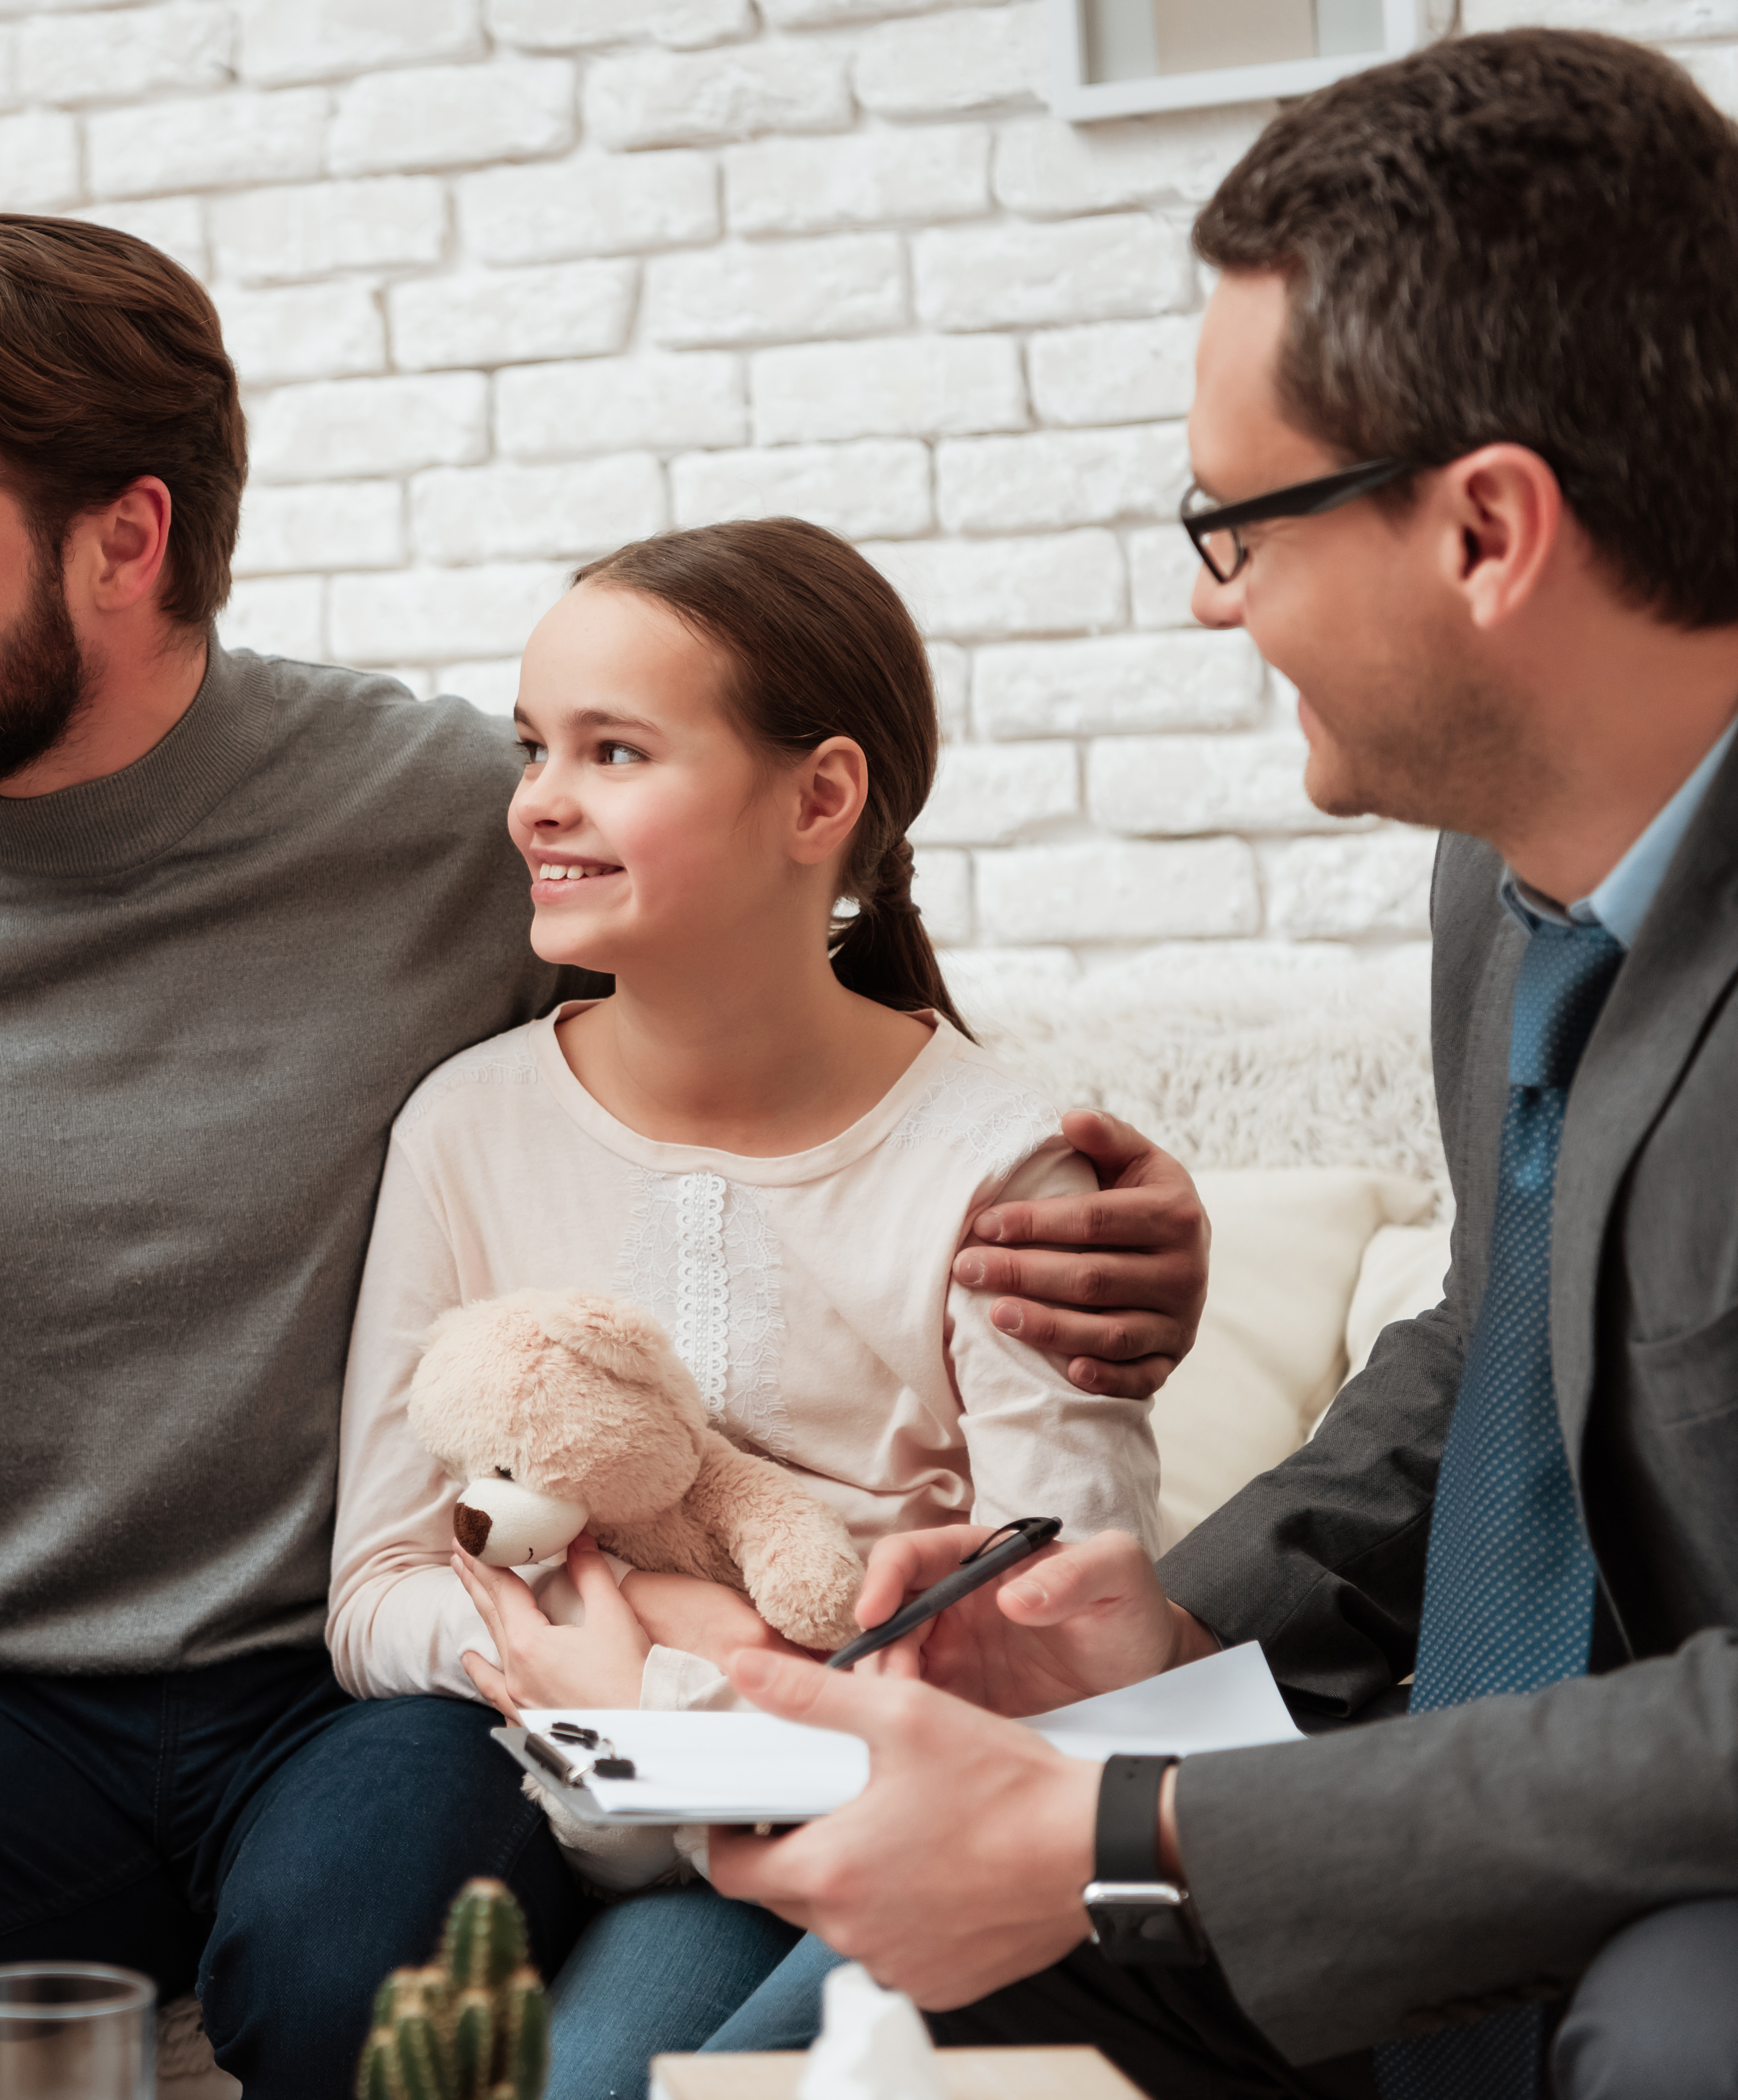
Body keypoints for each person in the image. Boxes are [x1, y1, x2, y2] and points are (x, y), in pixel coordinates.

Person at [0, 213, 1217, 2097]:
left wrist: (1100, 1210)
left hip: (352, 1685)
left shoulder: (467, 818)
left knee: (362, 1971)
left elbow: (780, 978)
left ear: (124, 540)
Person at [685, 30, 1738, 2100]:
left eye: (1232, 524)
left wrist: (1122, 1826)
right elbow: (1503, 1350)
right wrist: (1152, 1633)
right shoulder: (1504, 868)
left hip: (1680, 1883)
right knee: (879, 1994)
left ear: (1483, 532)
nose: (1202, 600)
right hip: (1509, 1795)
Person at [329, 519, 1165, 2100]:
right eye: (533, 748)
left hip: (922, 1837)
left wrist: (659, 1686)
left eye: (615, 750)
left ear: (821, 797)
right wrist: (599, 1659)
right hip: (657, 1853)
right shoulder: (466, 1127)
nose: (538, 803)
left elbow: (1068, 1676)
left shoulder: (1013, 1179)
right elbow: (376, 1592)